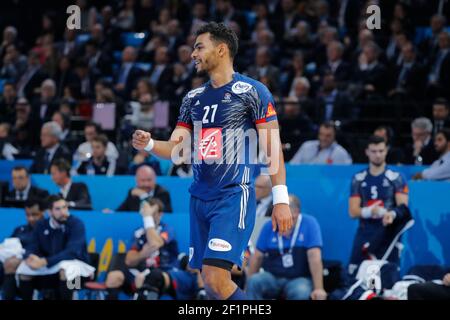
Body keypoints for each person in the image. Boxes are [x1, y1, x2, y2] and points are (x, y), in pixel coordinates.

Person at [132, 22, 292, 300]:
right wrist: (148, 143)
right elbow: (176, 150)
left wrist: (280, 200)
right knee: (209, 280)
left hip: (232, 196)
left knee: (217, 279)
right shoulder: (193, 98)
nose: (192, 54)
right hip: (199, 199)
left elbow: (272, 149)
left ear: (221, 49)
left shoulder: (252, 92)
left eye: (199, 47)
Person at [348, 135, 409, 275]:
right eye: (374, 151)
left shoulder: (396, 177)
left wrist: (390, 214)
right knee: (357, 274)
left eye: (381, 151)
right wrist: (370, 211)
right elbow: (352, 211)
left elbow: (403, 208)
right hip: (365, 232)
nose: (378, 155)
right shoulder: (358, 178)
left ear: (386, 151)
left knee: (387, 276)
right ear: (367, 152)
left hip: (388, 233)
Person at [246, 194, 326, 300]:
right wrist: (247, 286)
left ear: (296, 213)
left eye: (284, 215)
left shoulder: (310, 223)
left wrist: (319, 288)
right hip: (273, 277)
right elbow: (257, 257)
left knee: (301, 291)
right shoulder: (269, 226)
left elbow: (314, 257)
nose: (279, 220)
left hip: (299, 278)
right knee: (254, 281)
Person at [16, 195, 94, 300]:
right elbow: (32, 245)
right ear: (50, 212)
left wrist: (45, 261)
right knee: (24, 270)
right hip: (51, 267)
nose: (63, 212)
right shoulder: (41, 225)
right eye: (58, 209)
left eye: (65, 207)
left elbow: (72, 252)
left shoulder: (77, 224)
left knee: (67, 270)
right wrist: (30, 257)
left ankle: (72, 295)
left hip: (79, 270)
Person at [105, 199, 179, 300]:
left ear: (160, 214)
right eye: (146, 213)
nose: (149, 215)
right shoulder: (139, 232)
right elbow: (129, 260)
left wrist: (148, 218)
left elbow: (155, 244)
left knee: (151, 277)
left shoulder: (168, 229)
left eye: (152, 212)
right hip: (141, 271)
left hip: (164, 272)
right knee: (113, 277)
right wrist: (143, 253)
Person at [1, 198, 45, 300]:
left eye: (34, 215)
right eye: (27, 215)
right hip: (17, 264)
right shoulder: (20, 229)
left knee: (69, 274)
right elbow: (8, 245)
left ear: (43, 212)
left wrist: (23, 257)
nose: (30, 219)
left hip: (41, 265)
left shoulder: (49, 230)